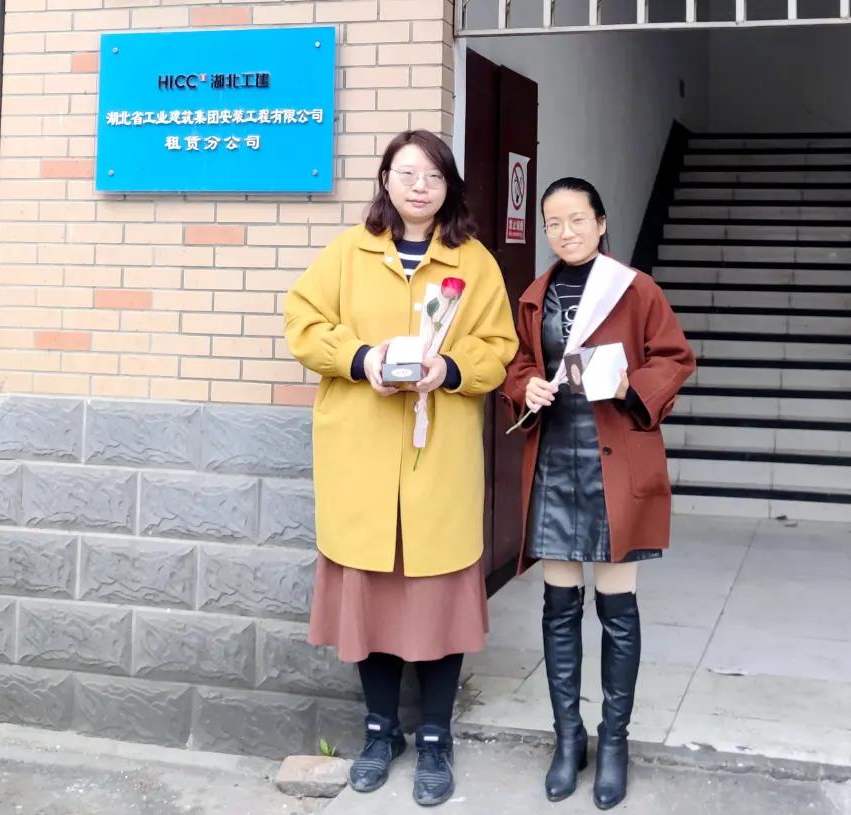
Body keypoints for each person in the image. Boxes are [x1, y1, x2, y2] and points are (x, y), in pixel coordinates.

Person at [284, 129, 519, 807]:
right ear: (386, 179)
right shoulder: (348, 253)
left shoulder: (473, 262)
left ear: (450, 187)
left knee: (438, 598)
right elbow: (303, 324)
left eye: (434, 175)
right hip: (360, 452)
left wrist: (452, 369)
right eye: (407, 172)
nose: (420, 185)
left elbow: (499, 346)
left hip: (436, 455)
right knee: (372, 600)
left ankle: (436, 737)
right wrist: (363, 359)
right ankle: (380, 731)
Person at [501, 177, 695, 810]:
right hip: (555, 460)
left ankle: (614, 742)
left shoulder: (634, 289)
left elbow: (674, 358)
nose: (565, 232)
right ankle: (568, 740)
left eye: (577, 219)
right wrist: (524, 387)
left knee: (617, 610)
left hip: (617, 463)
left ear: (601, 222)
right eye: (553, 223)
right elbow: (516, 365)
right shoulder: (536, 296)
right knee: (559, 607)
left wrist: (630, 384)